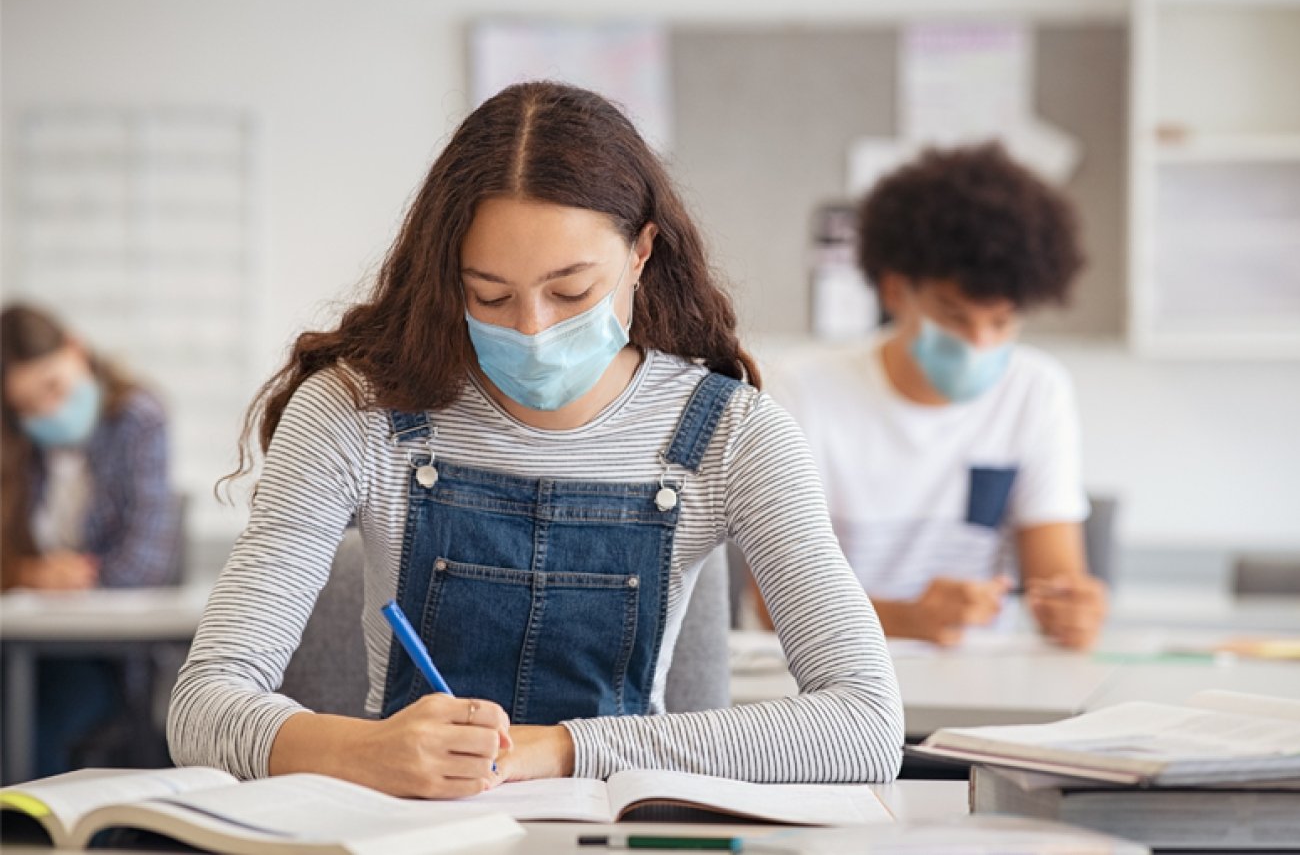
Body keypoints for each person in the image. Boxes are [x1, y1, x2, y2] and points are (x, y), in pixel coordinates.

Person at [167, 82, 903, 798]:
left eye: (572, 293)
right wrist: (361, 751)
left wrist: (560, 748)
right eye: (489, 295)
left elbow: (865, 725)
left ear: (642, 253)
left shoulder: (733, 434)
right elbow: (202, 707)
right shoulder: (354, 412)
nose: (533, 329)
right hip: (404, 828)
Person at [767, 143, 1107, 650]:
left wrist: (1072, 610)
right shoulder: (800, 391)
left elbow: (1055, 580)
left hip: (979, 685)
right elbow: (772, 603)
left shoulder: (1036, 392)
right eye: (954, 316)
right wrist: (908, 619)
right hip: (831, 682)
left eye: (1001, 321)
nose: (980, 344)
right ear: (895, 292)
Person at [1, 303, 178, 776]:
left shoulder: (139, 420)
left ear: (76, 351)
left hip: (102, 655)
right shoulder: (17, 444)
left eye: (53, 387)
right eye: (26, 406)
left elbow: (145, 564)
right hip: (20, 644)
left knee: (34, 723)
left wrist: (74, 577)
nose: (46, 412)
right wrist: (29, 574)